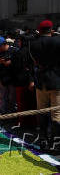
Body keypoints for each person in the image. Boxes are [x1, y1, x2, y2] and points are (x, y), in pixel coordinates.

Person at [29, 20, 60, 151]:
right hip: (56, 80)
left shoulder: (33, 44)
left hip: (41, 81)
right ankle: (56, 144)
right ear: (51, 30)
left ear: (39, 30)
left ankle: (43, 141)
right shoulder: (58, 41)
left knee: (41, 111)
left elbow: (34, 62)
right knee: (57, 114)